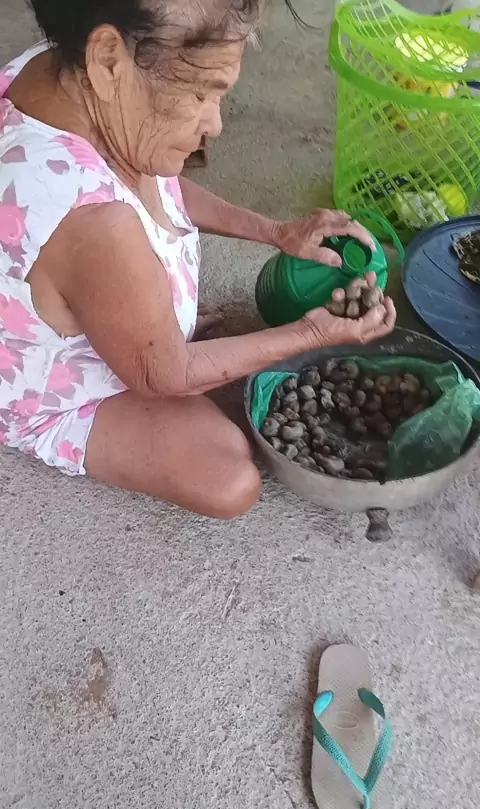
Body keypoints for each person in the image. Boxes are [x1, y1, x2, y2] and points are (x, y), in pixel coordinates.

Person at [0, 0, 396, 518]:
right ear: (108, 58)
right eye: (201, 93)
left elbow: (160, 187)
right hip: (48, 389)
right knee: (229, 478)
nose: (216, 123)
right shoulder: (94, 222)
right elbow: (163, 375)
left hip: (84, 276)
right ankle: (70, 396)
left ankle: (139, 328)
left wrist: (276, 232)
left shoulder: (63, 71)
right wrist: (310, 335)